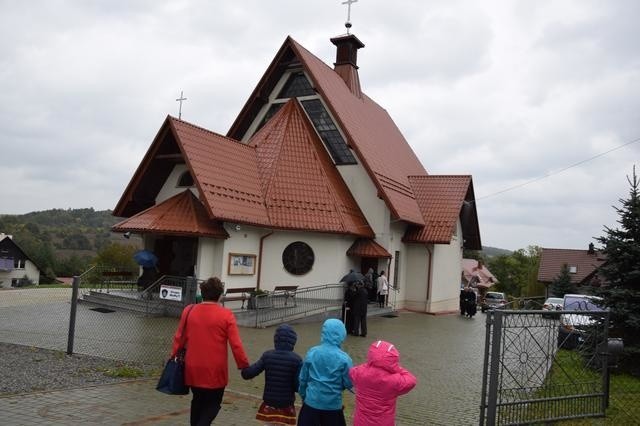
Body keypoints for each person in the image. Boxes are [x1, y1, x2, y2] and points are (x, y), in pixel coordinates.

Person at [171, 277, 250, 426]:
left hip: (192, 367)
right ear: (220, 295)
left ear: (202, 292)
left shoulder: (189, 310)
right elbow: (236, 345)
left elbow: (179, 338)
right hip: (215, 371)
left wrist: (173, 356)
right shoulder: (226, 315)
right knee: (213, 404)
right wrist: (244, 365)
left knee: (198, 400)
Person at [241, 324, 303, 426]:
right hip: (286, 405)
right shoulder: (297, 360)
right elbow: (297, 386)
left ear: (275, 339)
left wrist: (244, 369)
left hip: (269, 404)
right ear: (293, 341)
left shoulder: (267, 356)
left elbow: (250, 373)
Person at [298, 318, 353, 426]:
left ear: (324, 332)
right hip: (333, 407)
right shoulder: (345, 359)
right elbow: (349, 383)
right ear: (342, 335)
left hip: (311, 405)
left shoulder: (312, 352)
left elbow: (303, 378)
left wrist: (304, 395)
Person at [349, 340, 417, 426]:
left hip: (360, 422)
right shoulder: (394, 380)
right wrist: (396, 368)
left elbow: (353, 371)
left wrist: (370, 364)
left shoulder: (359, 373)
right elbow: (412, 380)